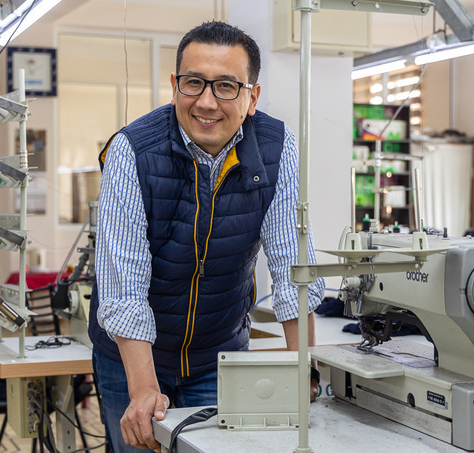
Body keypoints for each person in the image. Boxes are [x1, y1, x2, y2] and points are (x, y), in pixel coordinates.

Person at [88, 21, 325, 452]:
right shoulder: (132, 150)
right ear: (175, 86)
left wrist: (303, 370)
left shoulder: (277, 149)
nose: (207, 102)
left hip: (220, 355)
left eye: (226, 86)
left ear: (252, 97)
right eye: (194, 83)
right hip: (130, 358)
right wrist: (144, 389)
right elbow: (123, 288)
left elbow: (294, 270)